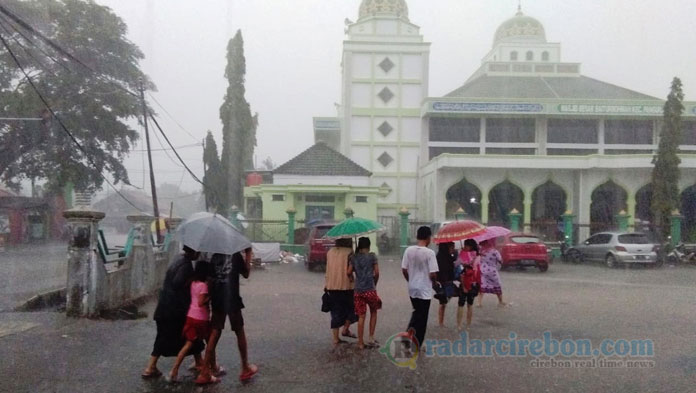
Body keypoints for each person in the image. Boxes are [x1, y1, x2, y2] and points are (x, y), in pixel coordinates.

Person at [196, 249, 258, 385]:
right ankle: (245, 367)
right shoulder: (235, 255)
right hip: (232, 299)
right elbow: (246, 273)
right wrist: (248, 255)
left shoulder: (213, 256)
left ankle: (205, 371)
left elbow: (206, 278)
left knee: (215, 333)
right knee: (239, 331)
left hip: (217, 298)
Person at [142, 245, 205, 379]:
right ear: (194, 251)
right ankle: (151, 367)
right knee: (190, 335)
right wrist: (190, 281)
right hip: (174, 311)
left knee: (166, 337)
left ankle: (151, 367)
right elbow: (177, 284)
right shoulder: (186, 265)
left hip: (164, 308)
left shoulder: (178, 259)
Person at [169, 261, 212, 382]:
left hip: (190, 316)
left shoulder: (192, 283)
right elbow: (201, 302)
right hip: (201, 318)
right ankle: (210, 369)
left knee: (188, 345)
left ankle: (174, 369)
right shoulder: (204, 286)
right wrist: (210, 296)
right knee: (210, 343)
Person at [401, 226, 439, 350]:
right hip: (424, 289)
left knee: (417, 311)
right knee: (422, 317)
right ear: (428, 238)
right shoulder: (430, 253)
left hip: (412, 288)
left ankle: (408, 334)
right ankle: (417, 343)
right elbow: (433, 273)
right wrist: (434, 283)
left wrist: (410, 280)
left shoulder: (408, 250)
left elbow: (404, 269)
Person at [347, 237, 381, 349]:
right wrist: (374, 283)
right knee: (374, 312)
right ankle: (371, 338)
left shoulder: (354, 257)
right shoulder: (372, 257)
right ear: (369, 246)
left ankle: (360, 342)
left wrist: (352, 278)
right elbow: (376, 273)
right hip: (370, 290)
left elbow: (348, 272)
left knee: (361, 316)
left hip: (358, 291)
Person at [325, 238, 358, 346]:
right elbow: (352, 269)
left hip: (331, 285)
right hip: (346, 285)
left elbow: (328, 268)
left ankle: (335, 338)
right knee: (353, 308)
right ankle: (345, 329)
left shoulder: (330, 252)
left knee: (335, 312)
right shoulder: (349, 252)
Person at [457, 239, 481, 331]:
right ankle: (466, 325)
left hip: (468, 282)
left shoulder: (469, 255)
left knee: (464, 304)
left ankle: (462, 325)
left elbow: (458, 266)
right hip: (472, 283)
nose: (465, 247)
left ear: (470, 246)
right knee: (467, 304)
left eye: (466, 245)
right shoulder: (477, 256)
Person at [478, 239, 508, 308]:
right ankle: (500, 301)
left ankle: (479, 303)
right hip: (492, 272)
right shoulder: (495, 251)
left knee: (482, 286)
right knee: (497, 286)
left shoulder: (481, 251)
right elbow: (500, 260)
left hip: (482, 270)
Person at [435, 242, 457, 327]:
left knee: (444, 302)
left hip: (448, 282)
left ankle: (441, 322)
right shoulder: (440, 257)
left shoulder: (449, 257)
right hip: (442, 282)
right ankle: (441, 322)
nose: (453, 249)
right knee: (443, 302)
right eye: (452, 247)